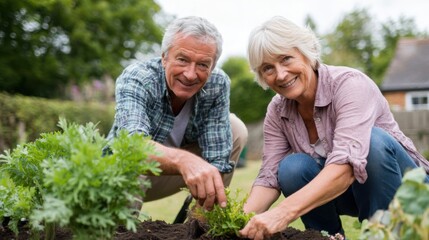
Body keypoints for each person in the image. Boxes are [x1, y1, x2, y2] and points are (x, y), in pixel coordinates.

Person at [239, 16, 429, 240]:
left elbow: (346, 165)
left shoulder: (350, 85)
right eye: (268, 68)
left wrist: (282, 213)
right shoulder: (278, 111)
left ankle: (384, 235)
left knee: (372, 142)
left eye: (286, 59)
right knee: (291, 168)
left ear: (307, 53)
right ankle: (325, 237)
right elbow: (269, 177)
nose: (280, 74)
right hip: (350, 193)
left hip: (408, 191)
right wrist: (240, 223)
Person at [106, 16, 248, 212]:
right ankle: (123, 230)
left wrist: (203, 220)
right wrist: (184, 161)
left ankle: (201, 227)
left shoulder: (218, 83)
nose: (190, 74)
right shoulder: (138, 78)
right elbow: (132, 147)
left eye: (202, 65)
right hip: (121, 177)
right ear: (164, 57)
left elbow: (217, 158)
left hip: (179, 175)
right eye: (182, 60)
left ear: (213, 66)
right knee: (135, 158)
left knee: (236, 128)